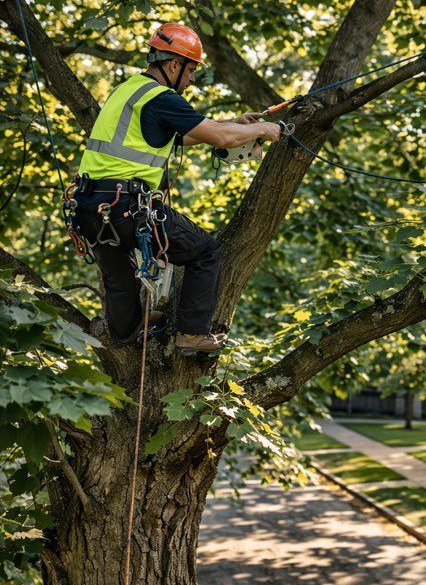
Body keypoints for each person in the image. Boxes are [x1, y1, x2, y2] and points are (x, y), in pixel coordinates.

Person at [72, 23, 282, 355]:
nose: (192, 79)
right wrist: (263, 129)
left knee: (118, 269)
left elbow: (186, 134)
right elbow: (220, 138)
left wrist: (234, 125)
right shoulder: (161, 97)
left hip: (90, 207)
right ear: (174, 65)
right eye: (191, 70)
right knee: (206, 251)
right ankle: (191, 335)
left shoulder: (128, 91)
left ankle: (126, 328)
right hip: (125, 203)